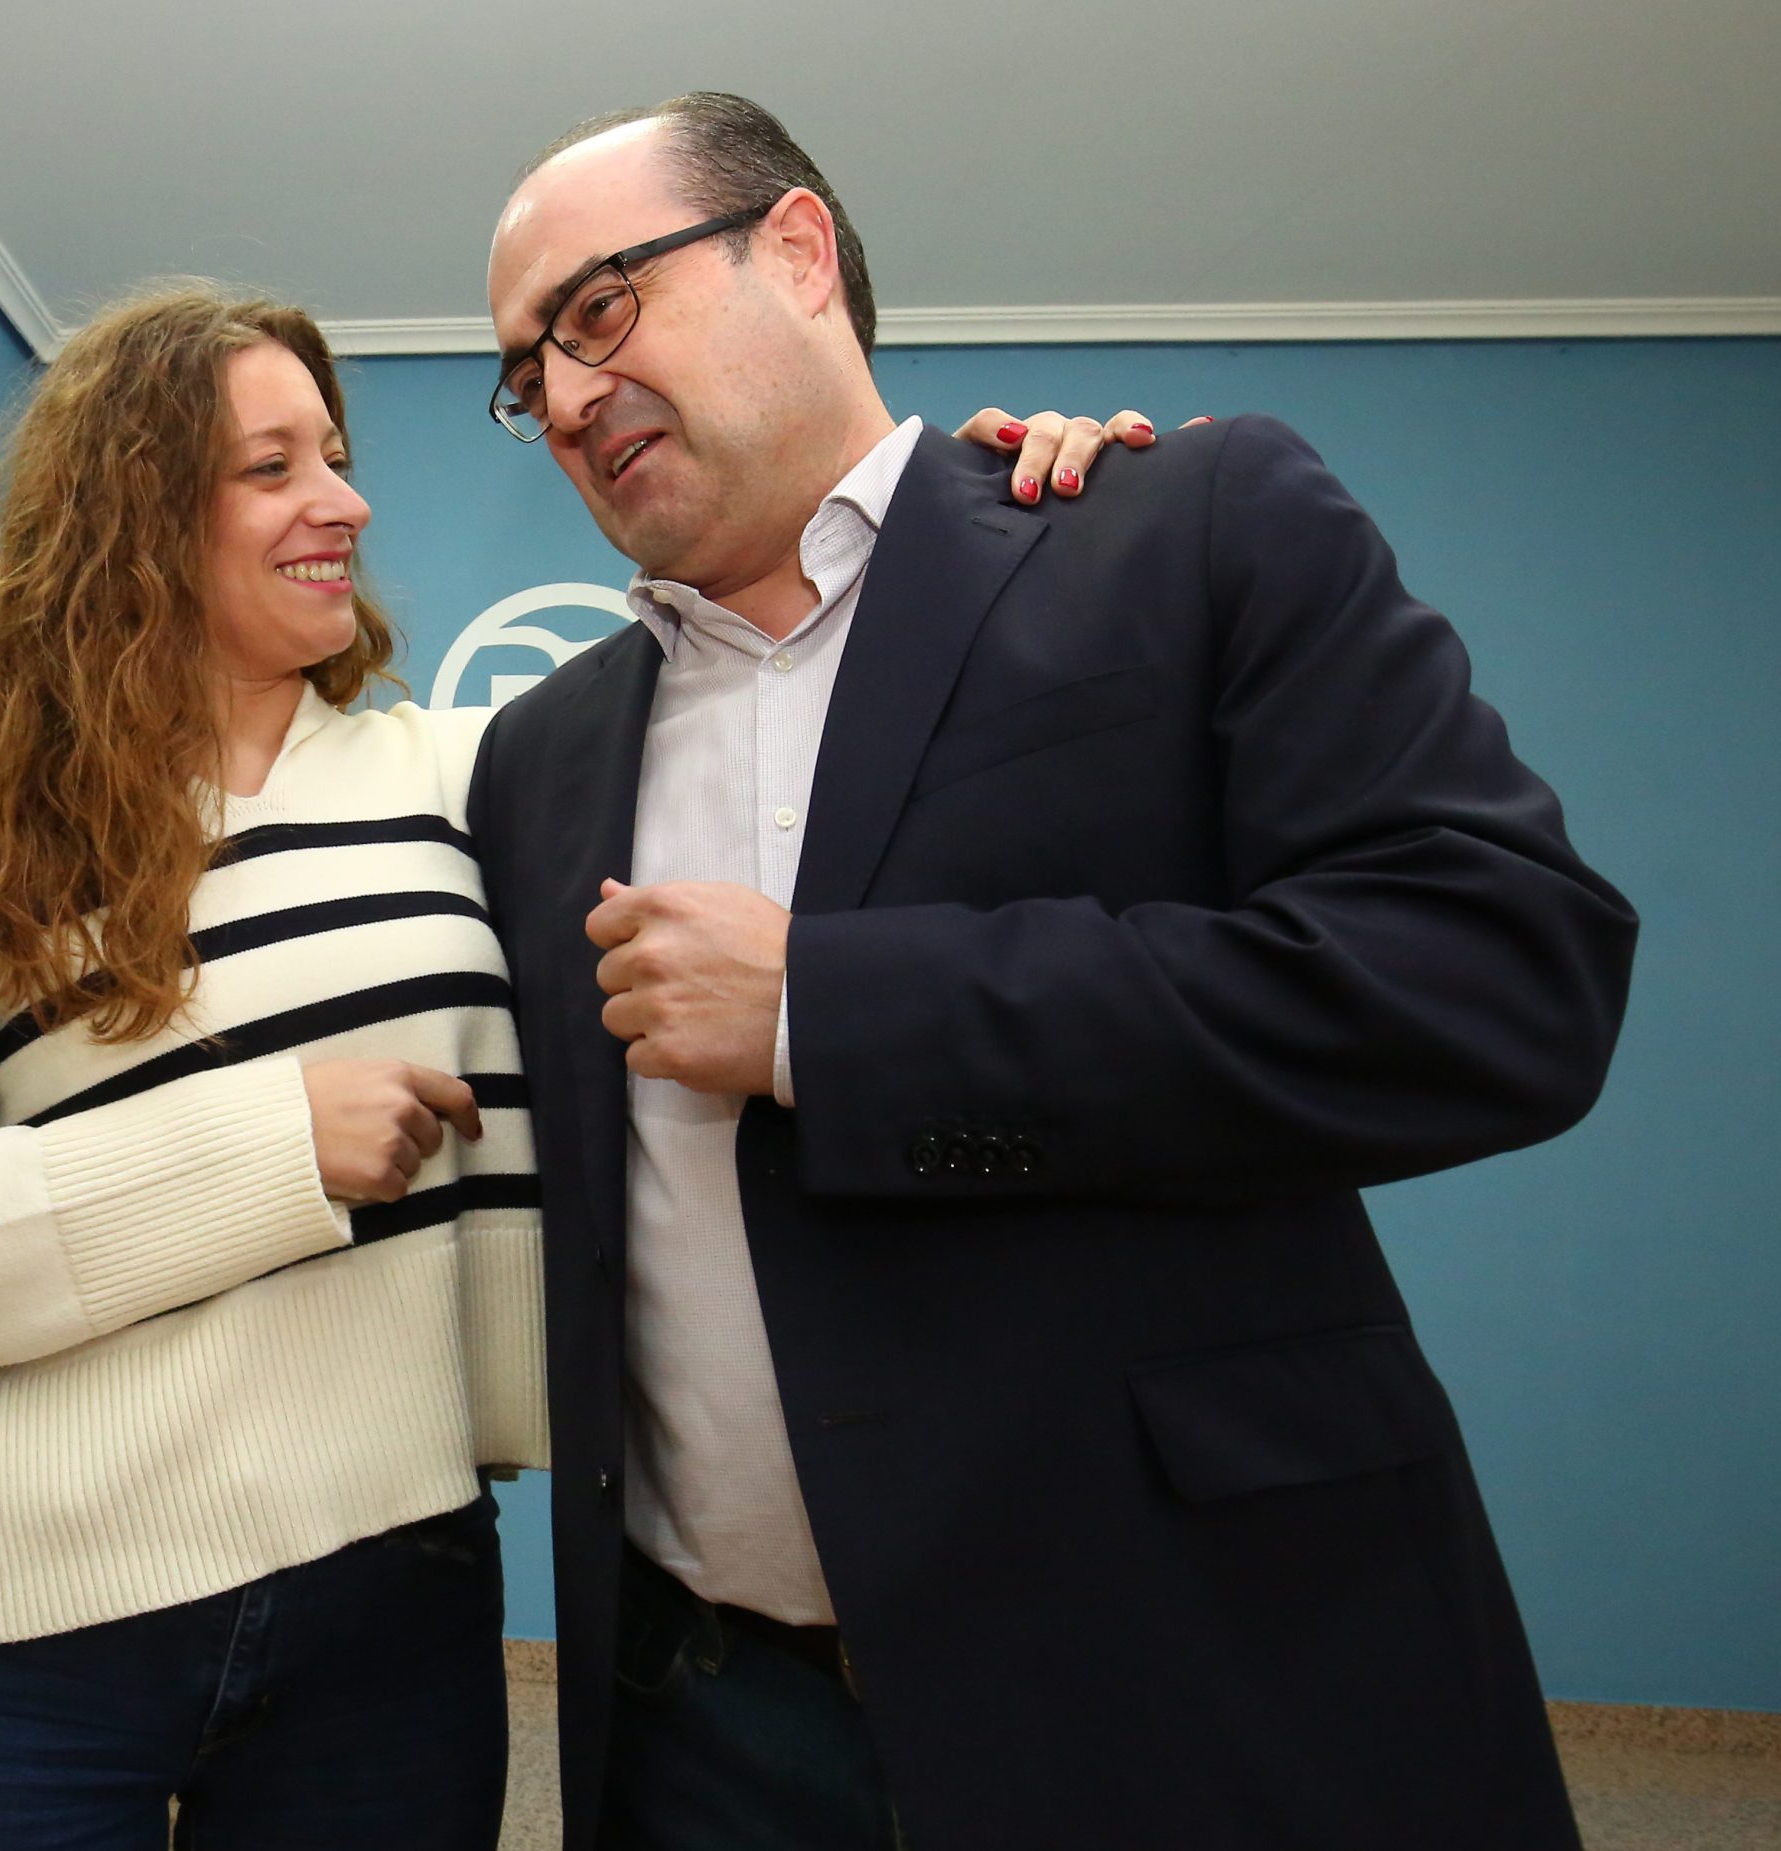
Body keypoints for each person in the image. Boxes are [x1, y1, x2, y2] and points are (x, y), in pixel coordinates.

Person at [0, 281, 1131, 1847]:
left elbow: (805, 731)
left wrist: (991, 528)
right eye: (271, 467)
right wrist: (264, 1148)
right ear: (131, 519)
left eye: (334, 456)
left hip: (391, 1620)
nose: (342, 500)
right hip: (9, 1645)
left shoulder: (482, 774)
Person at [467, 94, 1640, 1851]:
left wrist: (825, 1015)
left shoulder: (1177, 523)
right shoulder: (539, 756)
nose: (561, 396)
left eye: (599, 310)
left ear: (797, 251)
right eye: (523, 372)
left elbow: (1500, 980)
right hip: (698, 1724)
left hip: (1189, 1678)